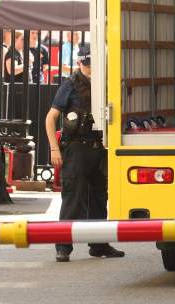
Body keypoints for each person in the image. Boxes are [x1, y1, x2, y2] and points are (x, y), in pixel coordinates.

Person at [45, 43, 124, 263]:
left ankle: (98, 244)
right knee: (73, 198)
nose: (89, 68)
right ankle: (63, 247)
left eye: (92, 64)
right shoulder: (70, 85)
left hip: (99, 147)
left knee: (99, 198)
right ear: (80, 62)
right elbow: (50, 118)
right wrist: (54, 149)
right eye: (86, 64)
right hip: (77, 148)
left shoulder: (104, 84)